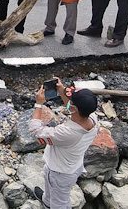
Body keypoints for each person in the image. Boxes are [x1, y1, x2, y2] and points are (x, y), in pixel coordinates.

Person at [28, 80, 99, 209]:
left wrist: (38, 104)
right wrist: (61, 91)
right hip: (72, 166)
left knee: (60, 203)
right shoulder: (92, 118)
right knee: (51, 190)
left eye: (71, 100)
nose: (69, 100)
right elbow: (71, 108)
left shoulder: (67, 133)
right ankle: (47, 201)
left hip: (59, 173)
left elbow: (36, 131)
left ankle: (52, 204)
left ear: (75, 108)